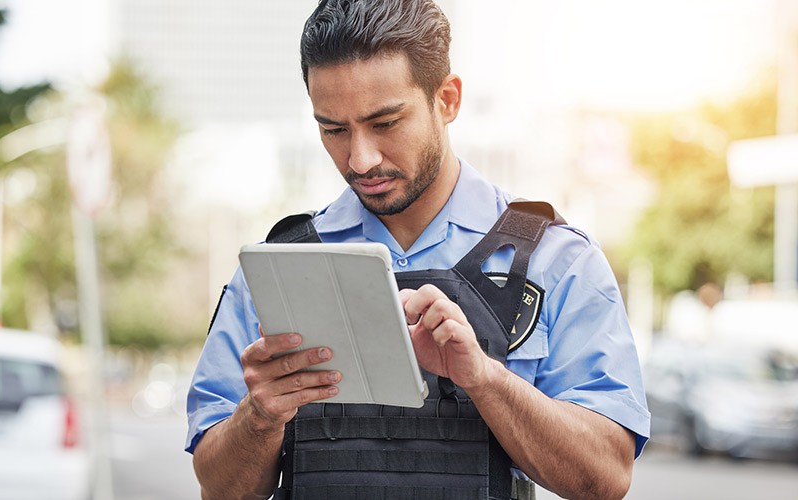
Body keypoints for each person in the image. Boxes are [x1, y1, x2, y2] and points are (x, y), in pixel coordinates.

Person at [185, 1, 650, 499]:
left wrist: (484, 380)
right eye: (333, 130)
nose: (360, 159)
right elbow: (218, 488)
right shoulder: (274, 268)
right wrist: (260, 416)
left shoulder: (556, 259)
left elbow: (606, 479)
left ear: (447, 99)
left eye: (385, 123)